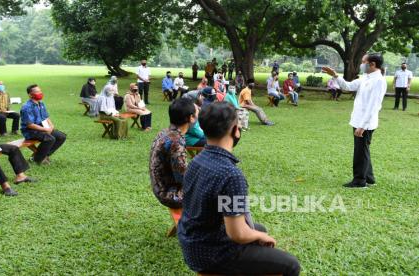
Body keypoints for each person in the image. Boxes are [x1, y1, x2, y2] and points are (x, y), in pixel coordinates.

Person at [178, 102, 300, 275]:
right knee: (291, 265)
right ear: (235, 130)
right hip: (209, 253)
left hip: (190, 240)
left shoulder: (196, 161)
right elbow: (237, 234)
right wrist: (260, 237)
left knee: (259, 228)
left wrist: (257, 233)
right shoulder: (231, 175)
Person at [322, 53, 387, 188]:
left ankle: (359, 181)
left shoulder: (379, 81)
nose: (361, 64)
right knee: (363, 150)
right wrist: (335, 76)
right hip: (359, 120)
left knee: (360, 152)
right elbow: (348, 86)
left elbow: (374, 106)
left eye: (363, 62)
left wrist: (362, 126)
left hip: (365, 124)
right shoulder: (366, 78)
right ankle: (369, 178)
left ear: (372, 64)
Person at [149, 98, 197, 208]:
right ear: (191, 118)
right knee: (219, 192)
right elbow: (184, 178)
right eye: (196, 112)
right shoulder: (176, 142)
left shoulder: (165, 132)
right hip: (171, 195)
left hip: (161, 188)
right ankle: (232, 224)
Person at [20, 84, 67, 165]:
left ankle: (42, 155)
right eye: (37, 92)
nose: (40, 93)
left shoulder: (41, 103)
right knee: (50, 139)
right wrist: (45, 129)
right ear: (30, 95)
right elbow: (30, 125)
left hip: (43, 128)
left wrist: (51, 126)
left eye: (40, 91)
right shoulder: (26, 107)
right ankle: (37, 159)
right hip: (30, 131)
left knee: (61, 136)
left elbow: (46, 117)